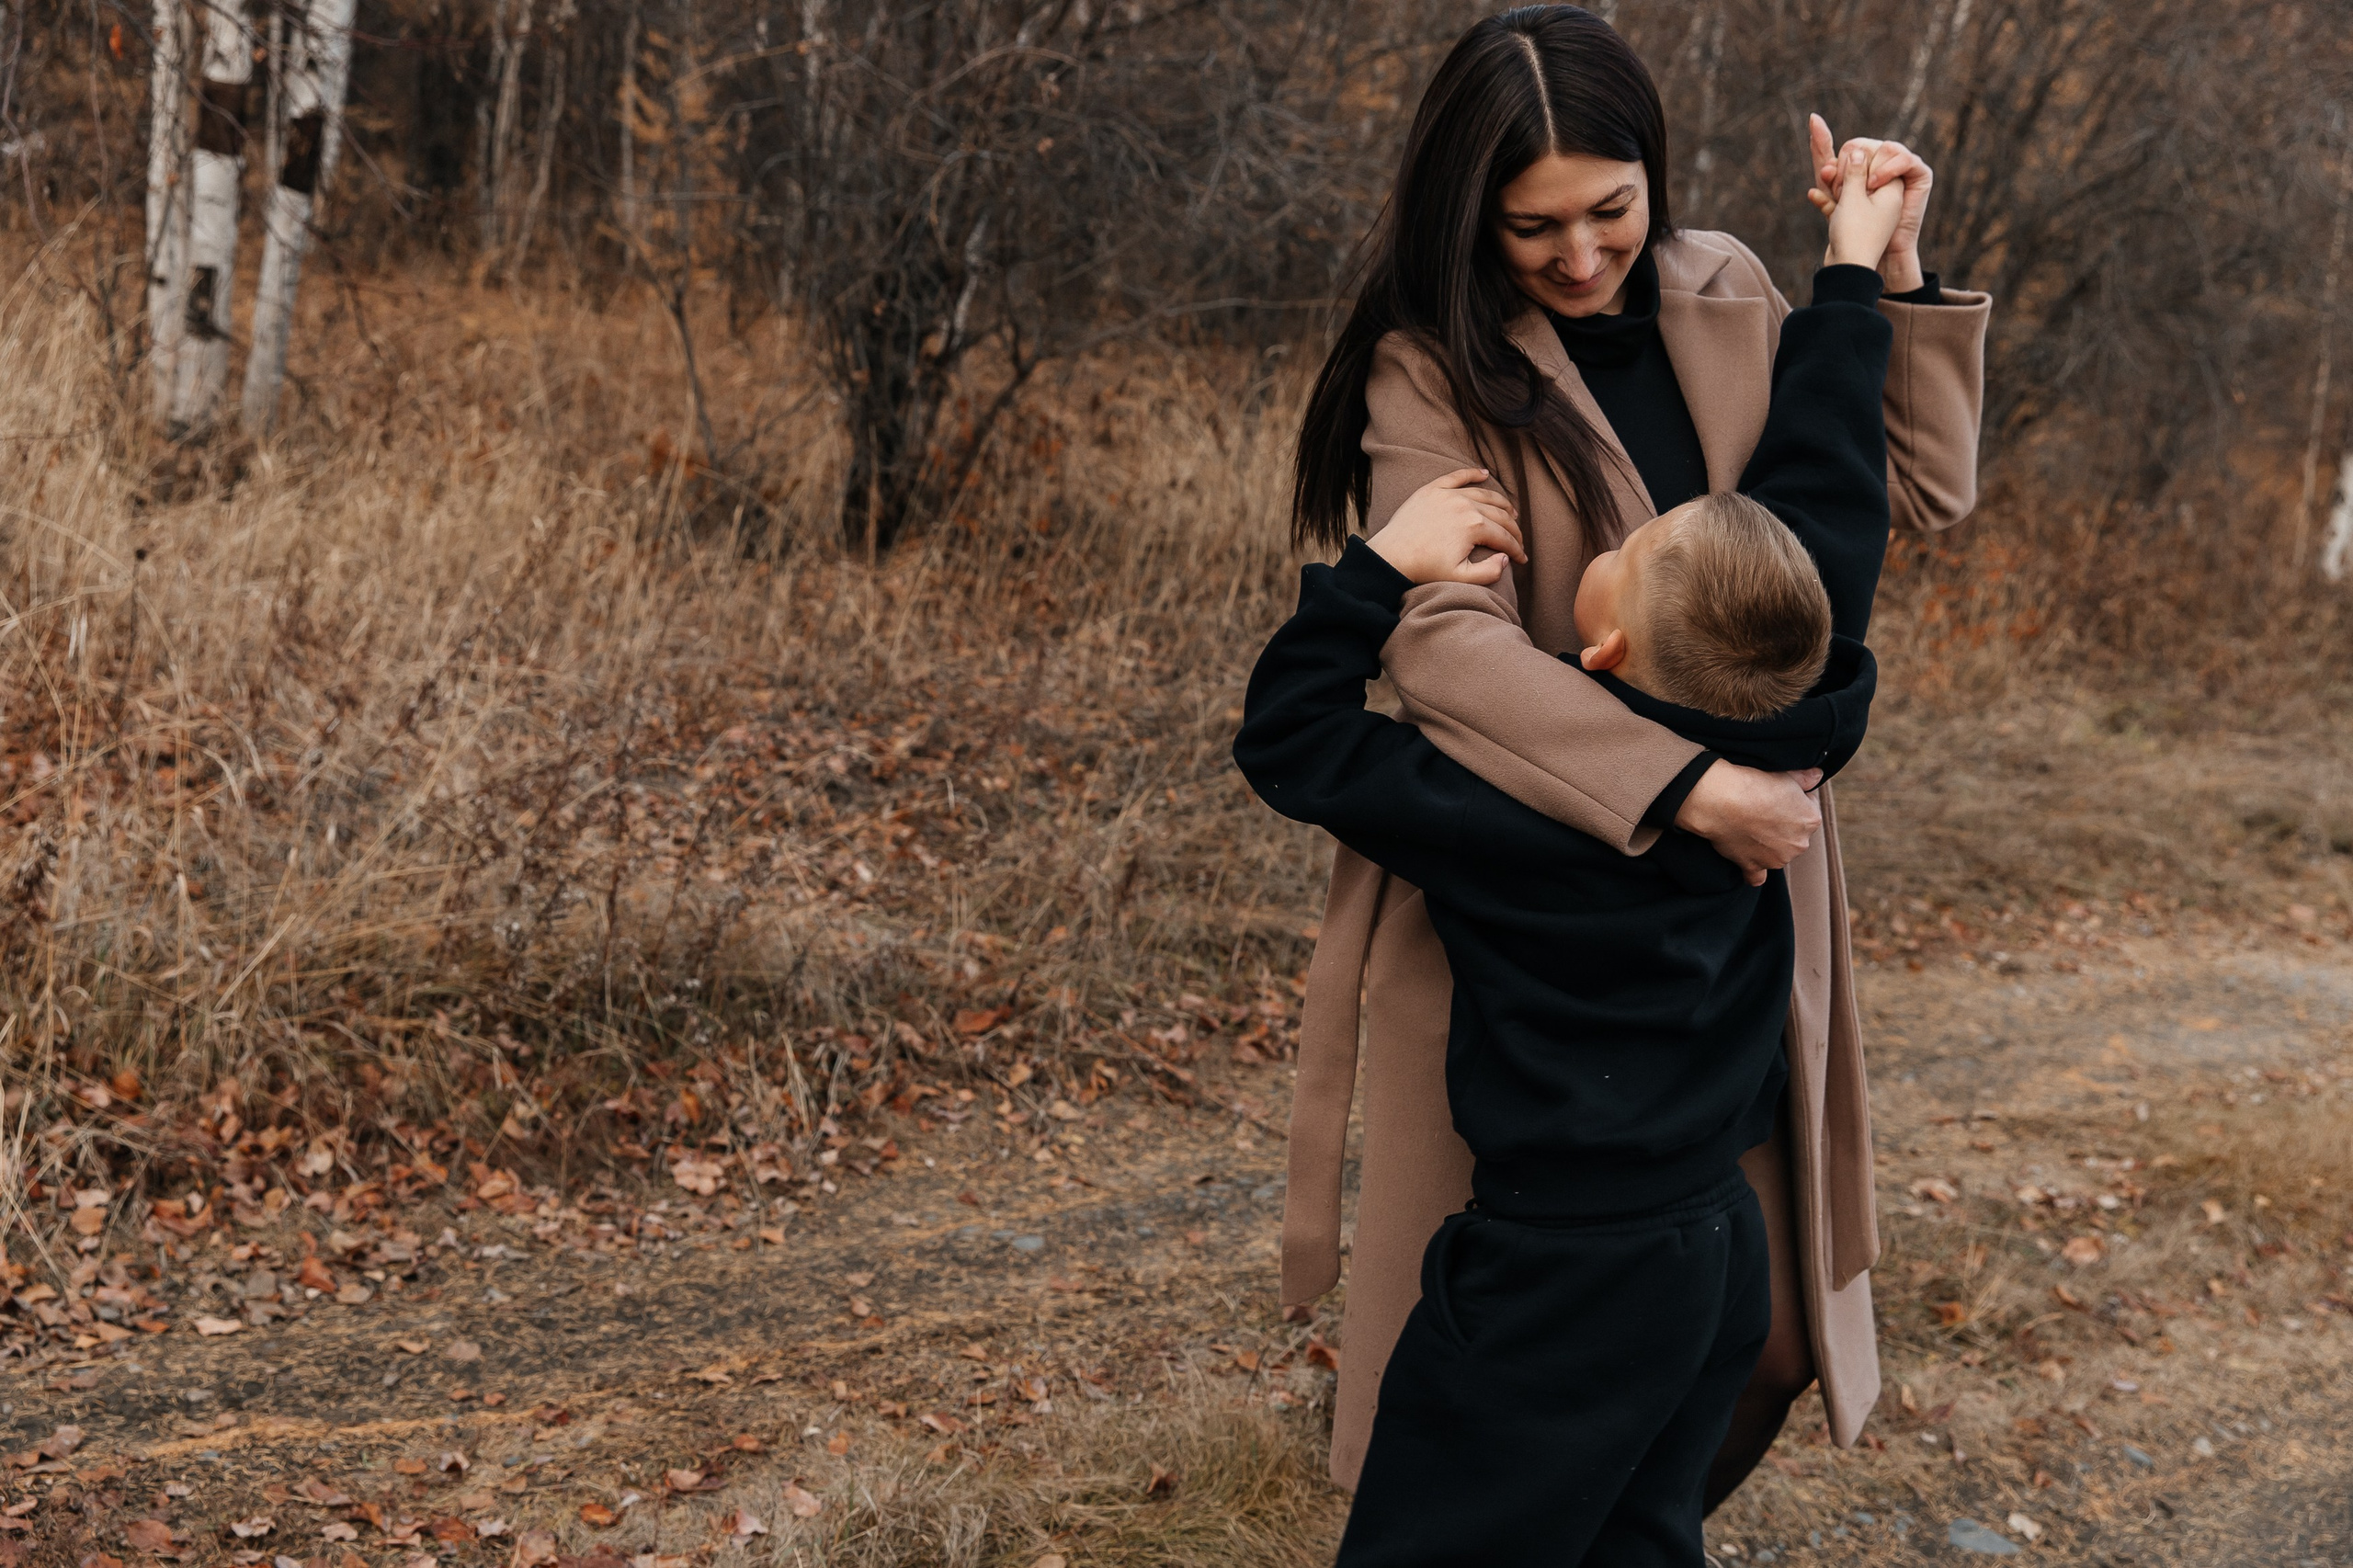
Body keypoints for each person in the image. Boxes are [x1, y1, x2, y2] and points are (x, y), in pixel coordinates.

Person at [1276, 4, 1990, 1507]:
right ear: (1470, 211)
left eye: (1611, 208)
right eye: (1536, 227)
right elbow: (1438, 642)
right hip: (1545, 870)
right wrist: (1684, 785)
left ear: (1655, 172)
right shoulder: (1435, 366)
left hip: (1744, 895)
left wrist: (1889, 269)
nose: (1583, 254)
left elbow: (1909, 485)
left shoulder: (1725, 283)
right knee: (1536, 1330)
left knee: (1771, 1335)